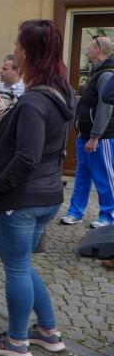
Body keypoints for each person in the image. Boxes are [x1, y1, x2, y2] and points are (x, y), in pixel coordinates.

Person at [0, 19, 74, 356]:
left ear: (29, 52)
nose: (13, 49)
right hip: (47, 194)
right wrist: (8, 115)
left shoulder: (33, 102)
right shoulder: (62, 92)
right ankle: (47, 331)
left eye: (18, 43)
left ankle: (16, 341)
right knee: (23, 265)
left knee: (16, 268)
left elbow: (26, 158)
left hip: (21, 199)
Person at [61, 35, 114, 229]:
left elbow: (105, 107)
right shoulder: (96, 72)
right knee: (82, 176)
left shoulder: (106, 74)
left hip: (101, 137)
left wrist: (95, 136)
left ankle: (109, 215)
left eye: (89, 48)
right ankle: (75, 212)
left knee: (104, 177)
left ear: (98, 50)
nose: (86, 51)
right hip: (85, 135)